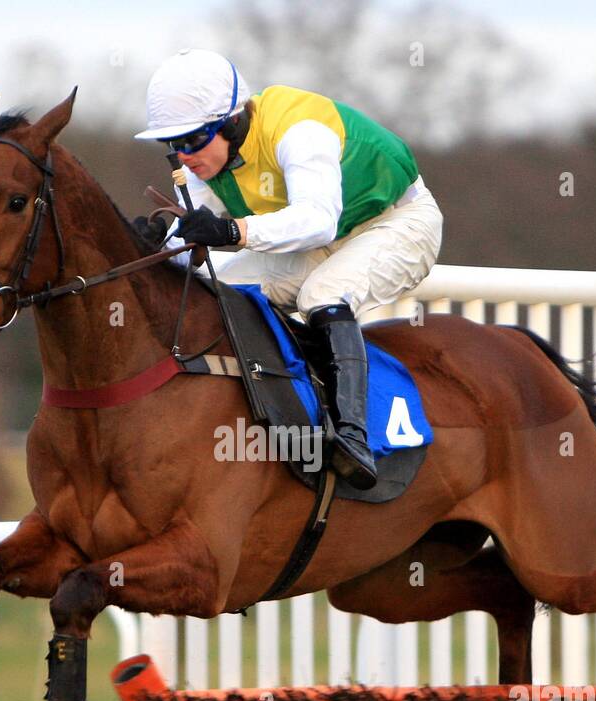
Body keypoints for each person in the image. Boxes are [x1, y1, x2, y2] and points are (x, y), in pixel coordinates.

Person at [133, 48, 443, 490]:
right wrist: (153, 246)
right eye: (173, 145)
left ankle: (352, 435)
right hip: (331, 234)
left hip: (398, 221)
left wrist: (233, 230)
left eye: (191, 140)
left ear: (230, 122)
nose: (183, 156)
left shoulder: (298, 130)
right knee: (219, 290)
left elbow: (316, 221)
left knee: (324, 294)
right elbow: (197, 237)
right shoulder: (205, 161)